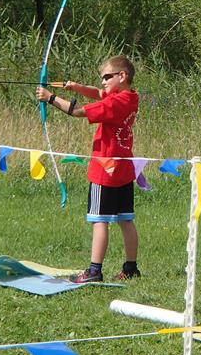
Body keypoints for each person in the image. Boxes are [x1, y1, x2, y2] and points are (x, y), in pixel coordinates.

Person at [36, 55, 141, 283]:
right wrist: (76, 87)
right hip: (124, 170)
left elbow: (78, 111)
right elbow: (99, 93)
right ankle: (131, 268)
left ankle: (94, 271)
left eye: (107, 77)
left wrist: (50, 97)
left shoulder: (113, 104)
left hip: (104, 171)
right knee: (125, 219)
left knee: (99, 220)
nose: (103, 81)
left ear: (122, 76)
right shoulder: (130, 97)